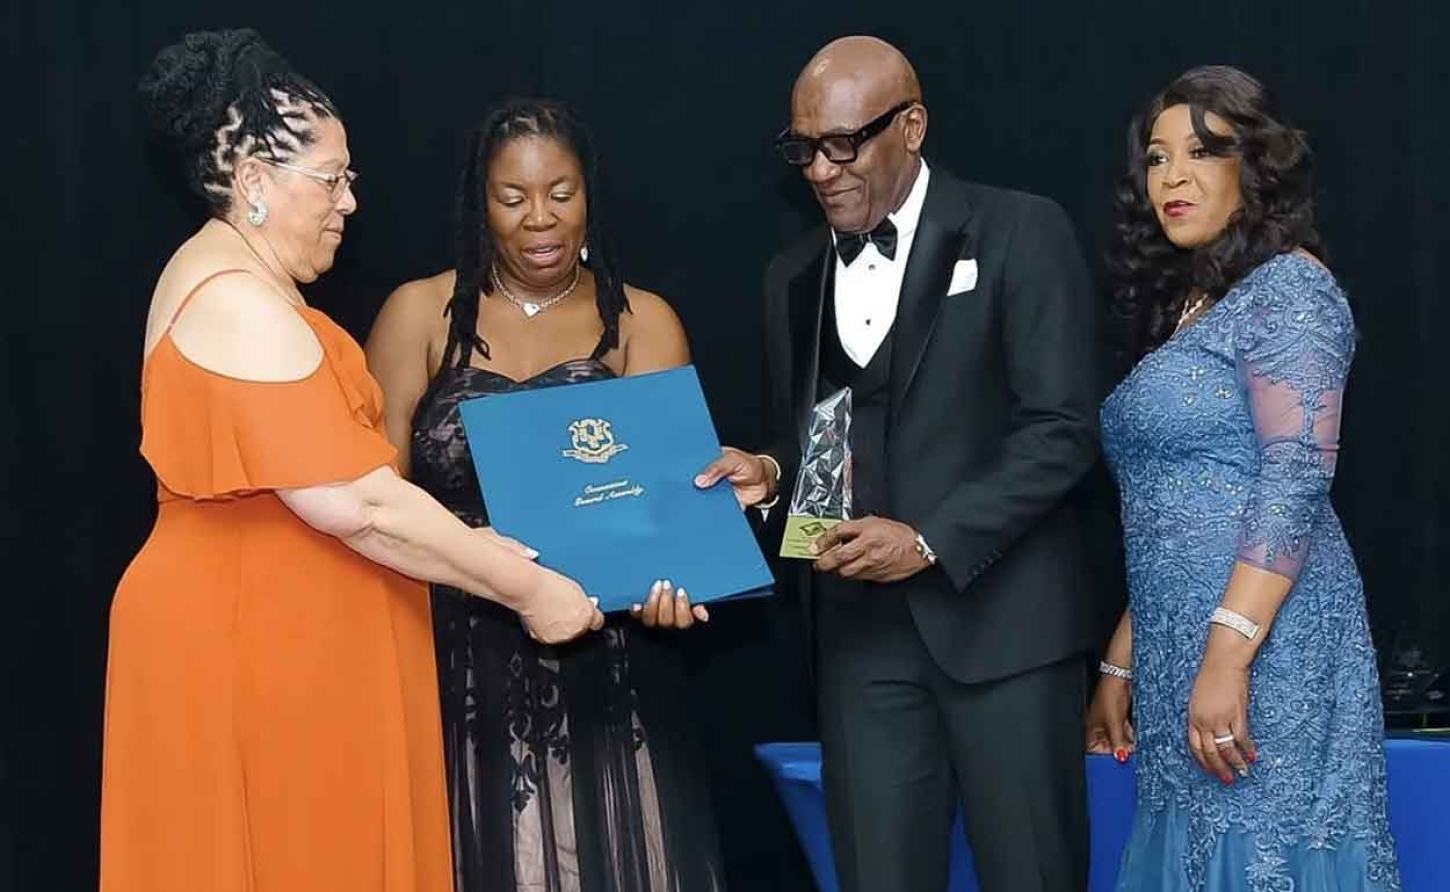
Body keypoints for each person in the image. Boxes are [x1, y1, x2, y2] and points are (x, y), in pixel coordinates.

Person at [104, 31, 602, 892]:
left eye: (350, 177)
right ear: (254, 181)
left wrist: (491, 554)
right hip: (253, 652)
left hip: (278, 646)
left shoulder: (236, 282)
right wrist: (528, 588)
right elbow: (358, 504)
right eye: (330, 178)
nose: (349, 201)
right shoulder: (235, 299)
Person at [697, 36, 1100, 892]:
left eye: (844, 143)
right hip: (859, 646)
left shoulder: (1021, 229)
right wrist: (771, 473)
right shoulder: (792, 274)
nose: (820, 169)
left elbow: (1061, 429)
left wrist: (927, 540)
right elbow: (821, 431)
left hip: (1004, 634)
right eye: (803, 148)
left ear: (912, 126)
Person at [365, 98, 726, 892]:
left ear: (589, 194)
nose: (540, 219)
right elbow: (373, 499)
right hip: (458, 662)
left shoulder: (640, 321)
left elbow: (676, 515)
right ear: (479, 203)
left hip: (609, 662)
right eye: (513, 196)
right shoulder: (420, 314)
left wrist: (676, 588)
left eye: (560, 193)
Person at [1089, 65, 1401, 891]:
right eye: (1156, 159)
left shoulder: (1292, 289)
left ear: (1253, 165)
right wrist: (1125, 659)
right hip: (1181, 651)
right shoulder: (1193, 304)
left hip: (1270, 649)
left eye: (1203, 152)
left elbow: (1295, 475)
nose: (1174, 178)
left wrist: (1229, 657)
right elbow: (1176, 503)